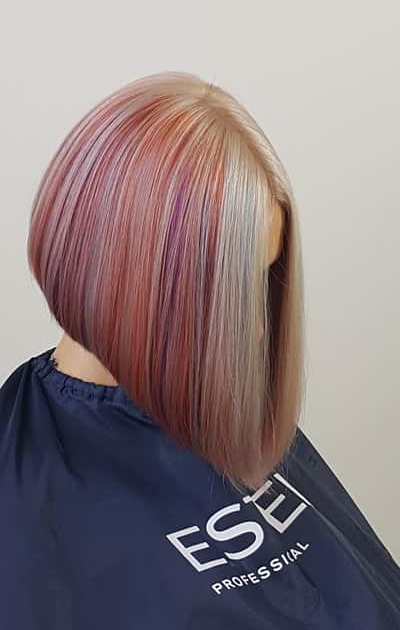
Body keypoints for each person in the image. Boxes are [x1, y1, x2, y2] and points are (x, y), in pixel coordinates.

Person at [0, 72, 399, 629]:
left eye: (261, 286)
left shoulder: (222, 406)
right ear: (124, 281)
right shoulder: (24, 495)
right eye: (229, 293)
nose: (256, 329)